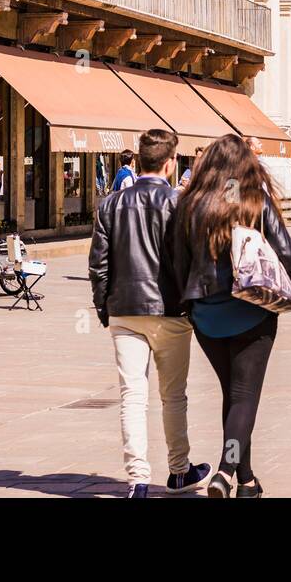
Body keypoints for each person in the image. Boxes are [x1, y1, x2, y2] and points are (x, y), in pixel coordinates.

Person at [172, 134, 291, 499]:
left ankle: (247, 481)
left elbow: (176, 262)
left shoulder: (190, 204)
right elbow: (287, 254)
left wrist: (190, 304)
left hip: (207, 317)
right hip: (250, 311)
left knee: (235, 395)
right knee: (244, 397)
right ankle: (226, 470)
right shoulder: (254, 201)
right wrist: (279, 288)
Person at [89, 129, 210, 498]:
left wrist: (104, 307)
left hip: (125, 309)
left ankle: (137, 480)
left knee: (132, 397)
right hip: (171, 310)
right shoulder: (181, 203)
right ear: (171, 163)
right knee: (174, 396)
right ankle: (178, 471)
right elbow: (195, 263)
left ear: (138, 162)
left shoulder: (110, 204)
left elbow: (99, 264)